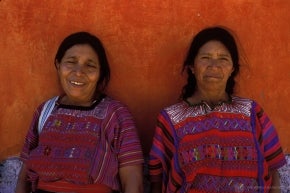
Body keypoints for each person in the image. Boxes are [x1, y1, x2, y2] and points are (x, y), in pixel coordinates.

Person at [148, 26, 286, 193]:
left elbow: (273, 168)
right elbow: (157, 180)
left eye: (223, 59)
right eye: (205, 57)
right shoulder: (171, 119)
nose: (214, 66)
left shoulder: (251, 112)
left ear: (232, 68)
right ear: (192, 66)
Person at [15, 32, 144, 193]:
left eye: (90, 65)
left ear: (100, 73)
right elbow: (23, 178)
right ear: (58, 65)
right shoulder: (45, 111)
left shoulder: (115, 114)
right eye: (71, 62)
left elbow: (132, 180)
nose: (78, 72)